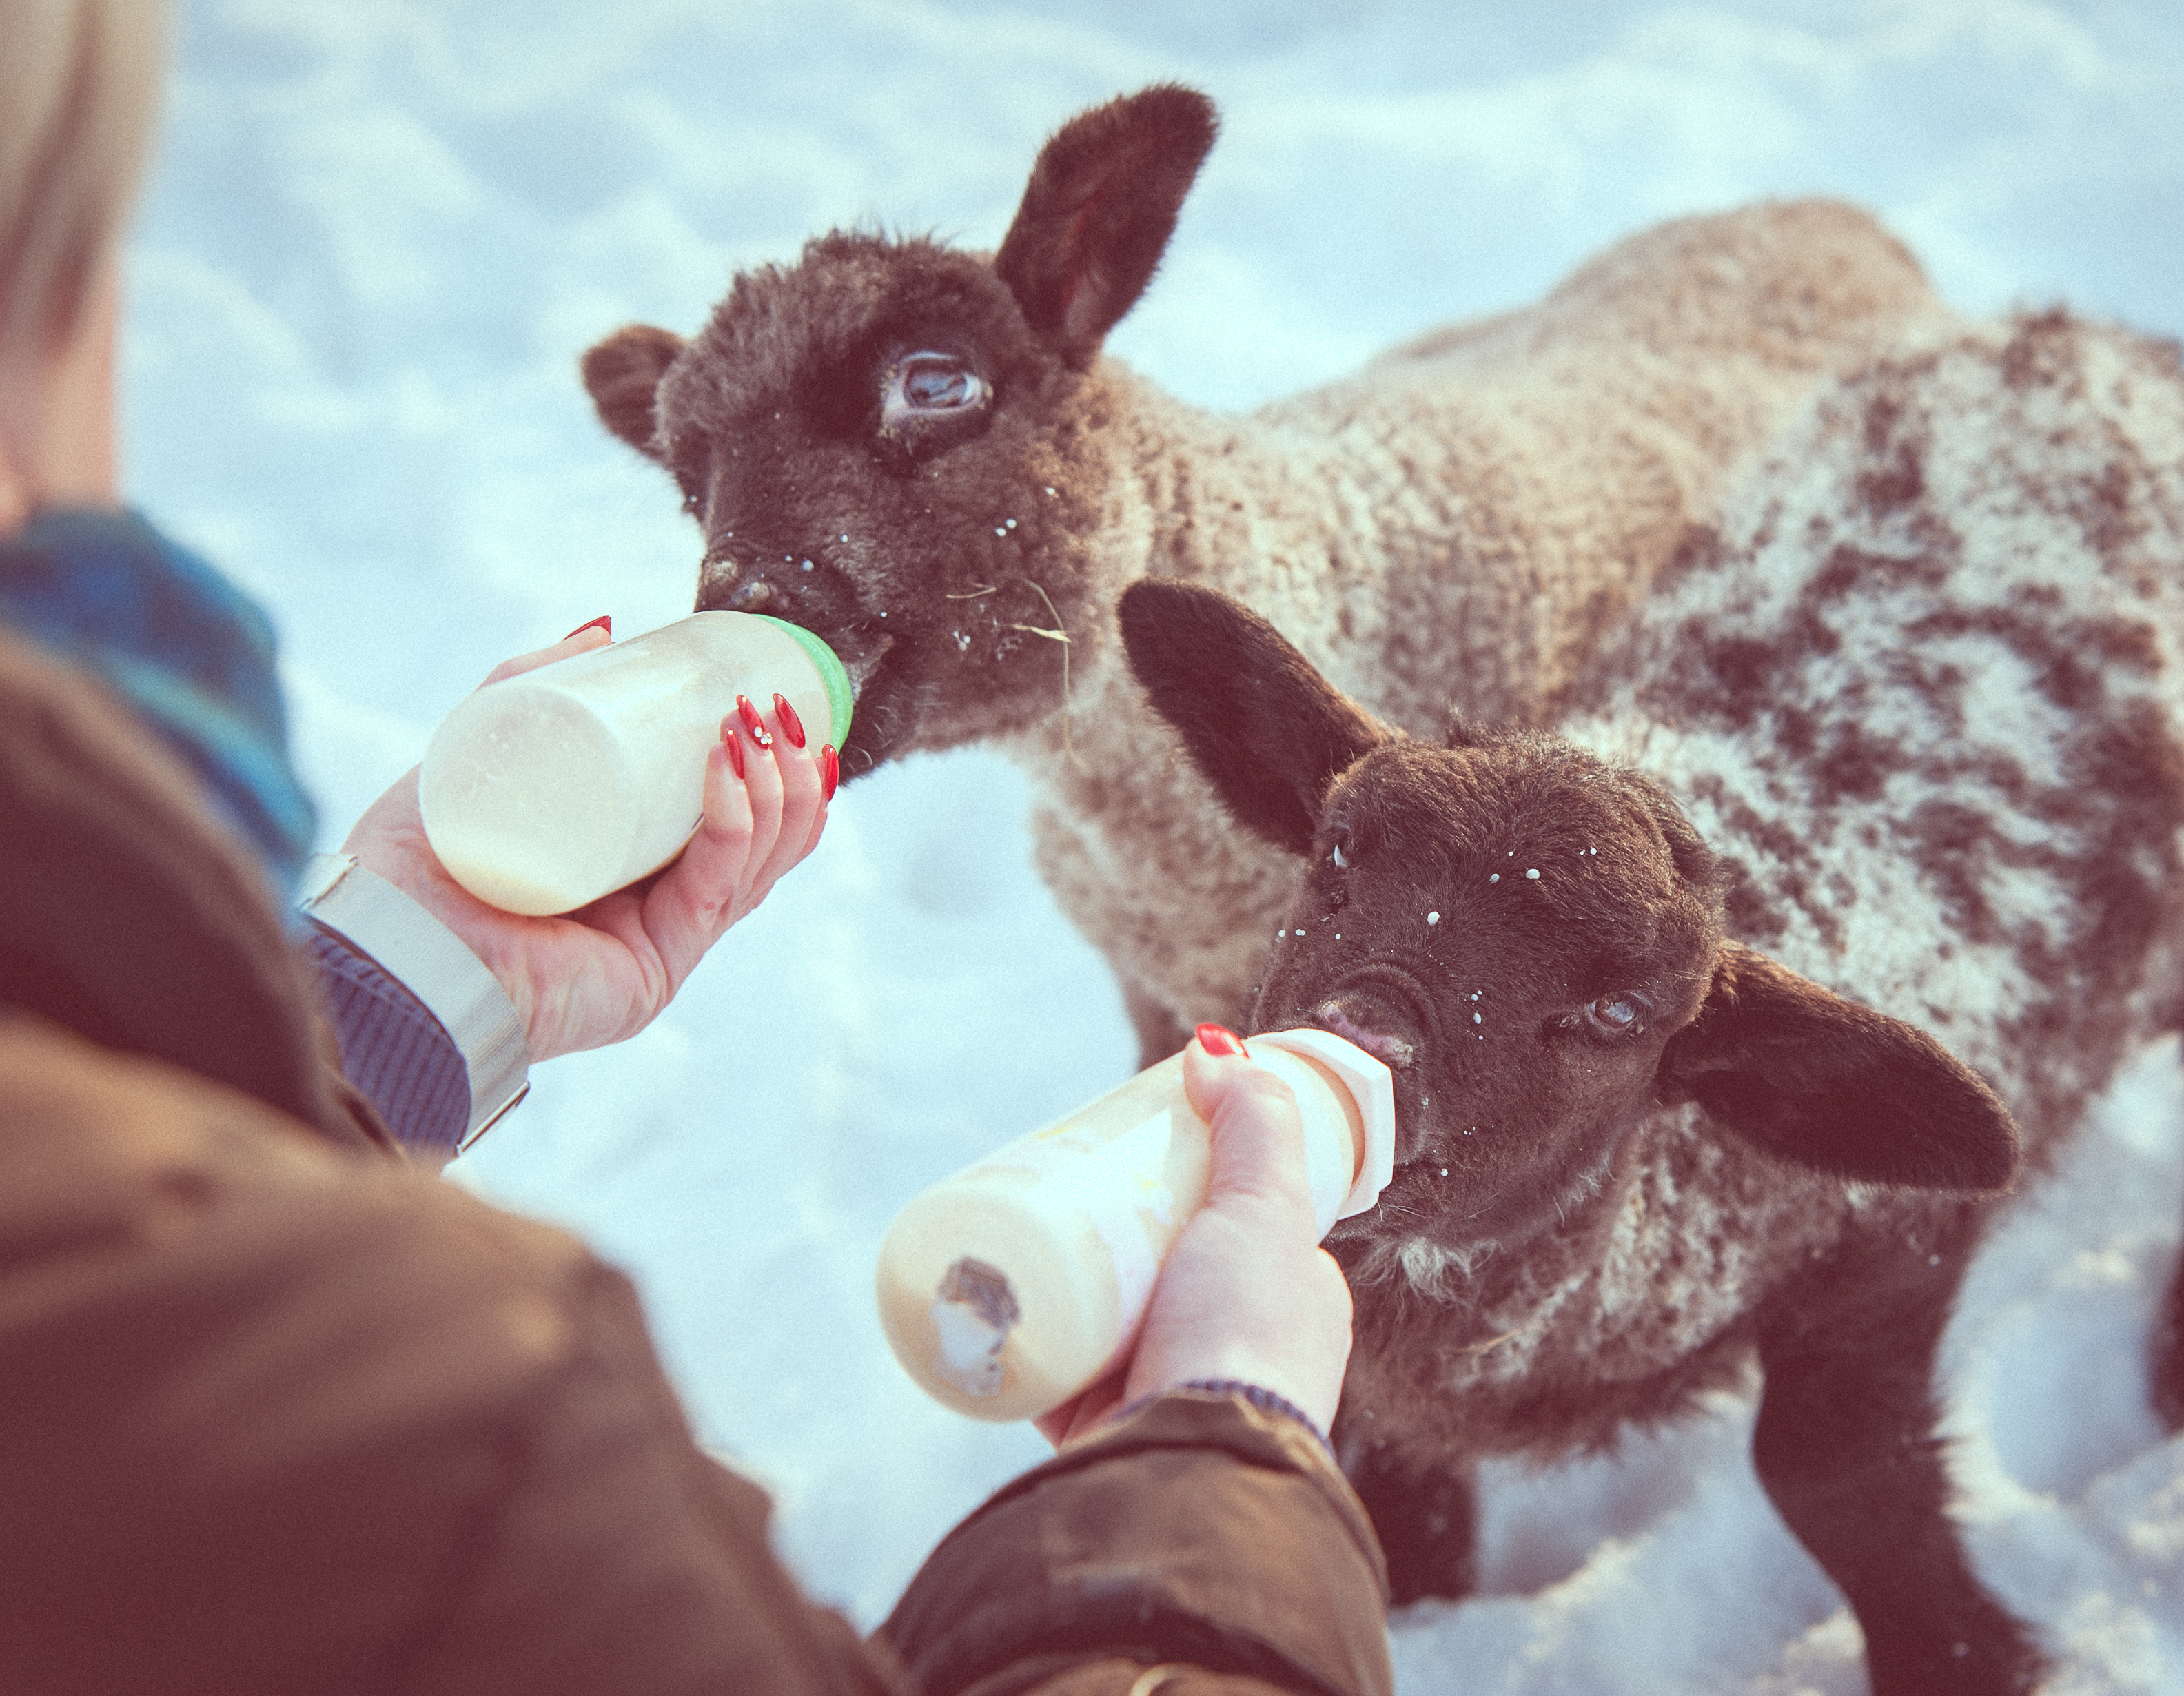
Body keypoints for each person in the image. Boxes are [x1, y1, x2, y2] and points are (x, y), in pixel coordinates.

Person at [0, 3, 1394, 1693]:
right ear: (67, 317)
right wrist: (1227, 1439)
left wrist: (402, 984)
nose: (739, 560)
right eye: (706, 480)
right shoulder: (472, 1440)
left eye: (929, 389)